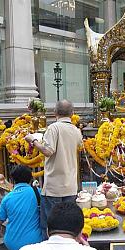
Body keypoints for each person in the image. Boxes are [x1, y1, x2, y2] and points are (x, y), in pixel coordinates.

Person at [25, 100, 83, 240]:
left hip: (54, 188)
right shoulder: (76, 130)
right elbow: (79, 145)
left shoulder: (54, 128)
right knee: (68, 226)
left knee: (50, 226)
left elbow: (48, 151)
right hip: (70, 186)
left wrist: (33, 140)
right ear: (72, 113)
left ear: (55, 113)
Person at [0, 165, 42, 250]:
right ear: (30, 178)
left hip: (12, 243)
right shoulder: (37, 192)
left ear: (13, 179)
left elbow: (0, 220)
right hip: (34, 241)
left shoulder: (7, 198)